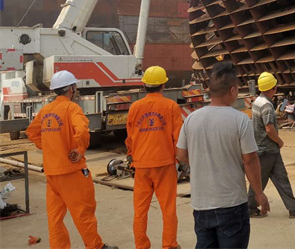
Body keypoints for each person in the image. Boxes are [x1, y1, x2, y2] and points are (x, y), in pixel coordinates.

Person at [175, 61, 269, 249]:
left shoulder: (191, 119)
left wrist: (202, 162)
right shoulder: (240, 120)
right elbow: (250, 161)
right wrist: (259, 193)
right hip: (231, 204)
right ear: (233, 90)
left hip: (201, 205)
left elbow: (181, 155)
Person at [26, 71, 117, 249]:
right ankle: (95, 246)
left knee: (55, 217)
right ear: (71, 89)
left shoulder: (46, 110)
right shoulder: (72, 108)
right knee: (83, 212)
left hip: (52, 173)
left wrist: (51, 147)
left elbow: (32, 132)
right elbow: (82, 131)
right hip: (71, 171)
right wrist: (79, 150)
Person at [125, 66, 183, 249]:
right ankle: (169, 244)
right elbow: (178, 137)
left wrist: (131, 156)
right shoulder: (171, 106)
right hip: (165, 164)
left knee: (140, 210)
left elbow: (130, 137)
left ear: (144, 85)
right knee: (168, 208)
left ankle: (141, 245)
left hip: (142, 165)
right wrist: (180, 160)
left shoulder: (135, 107)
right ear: (163, 85)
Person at [247, 72, 295, 219]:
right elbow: (269, 129)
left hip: (267, 149)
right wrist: (279, 141)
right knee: (260, 180)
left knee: (281, 179)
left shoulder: (258, 101)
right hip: (267, 150)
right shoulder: (267, 106)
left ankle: (294, 208)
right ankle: (249, 208)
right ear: (273, 88)